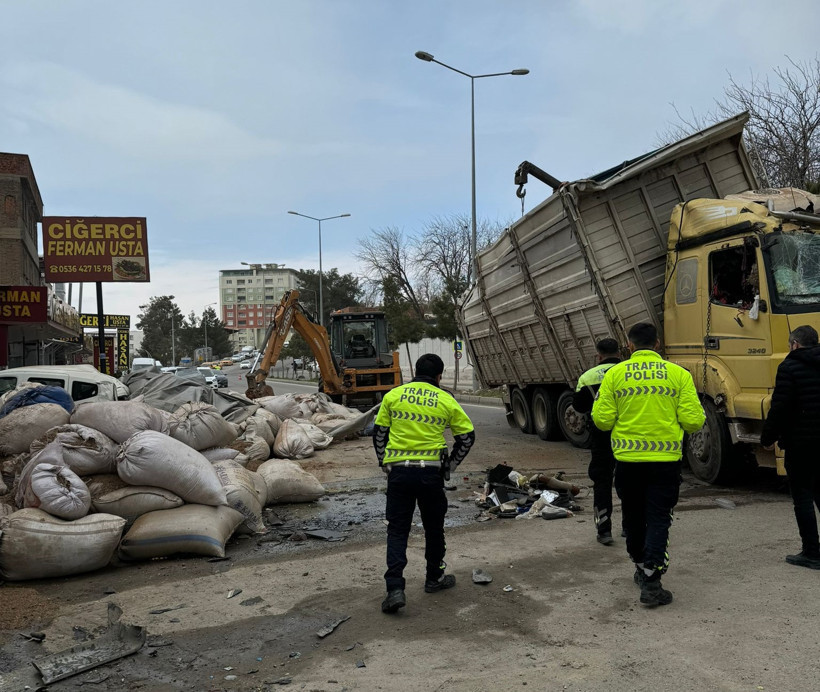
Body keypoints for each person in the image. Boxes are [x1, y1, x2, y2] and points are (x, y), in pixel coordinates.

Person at [592, 323, 704, 607]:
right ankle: (651, 581)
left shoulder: (615, 375)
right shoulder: (678, 375)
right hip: (664, 463)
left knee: (632, 517)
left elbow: (602, 420)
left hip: (628, 463)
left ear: (629, 345)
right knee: (658, 517)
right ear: (657, 344)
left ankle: (641, 567)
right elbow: (693, 420)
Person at [373, 353, 475, 614]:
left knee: (397, 531)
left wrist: (385, 462)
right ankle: (434, 578)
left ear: (414, 372)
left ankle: (395, 589)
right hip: (431, 475)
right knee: (434, 527)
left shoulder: (393, 396)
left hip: (399, 474)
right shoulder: (445, 399)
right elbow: (467, 438)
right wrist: (450, 467)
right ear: (439, 375)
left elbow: (379, 434)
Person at [761, 325, 820, 570]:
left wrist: (767, 437)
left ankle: (812, 553)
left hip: (801, 444)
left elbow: (781, 408)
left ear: (795, 344)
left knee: (803, 498)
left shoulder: (789, 367)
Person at [572, 338, 622, 546]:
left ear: (598, 355)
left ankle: (604, 530)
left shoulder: (587, 377)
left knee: (602, 482)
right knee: (628, 481)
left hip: (601, 437)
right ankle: (630, 527)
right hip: (629, 435)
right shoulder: (627, 372)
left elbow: (579, 407)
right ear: (619, 353)